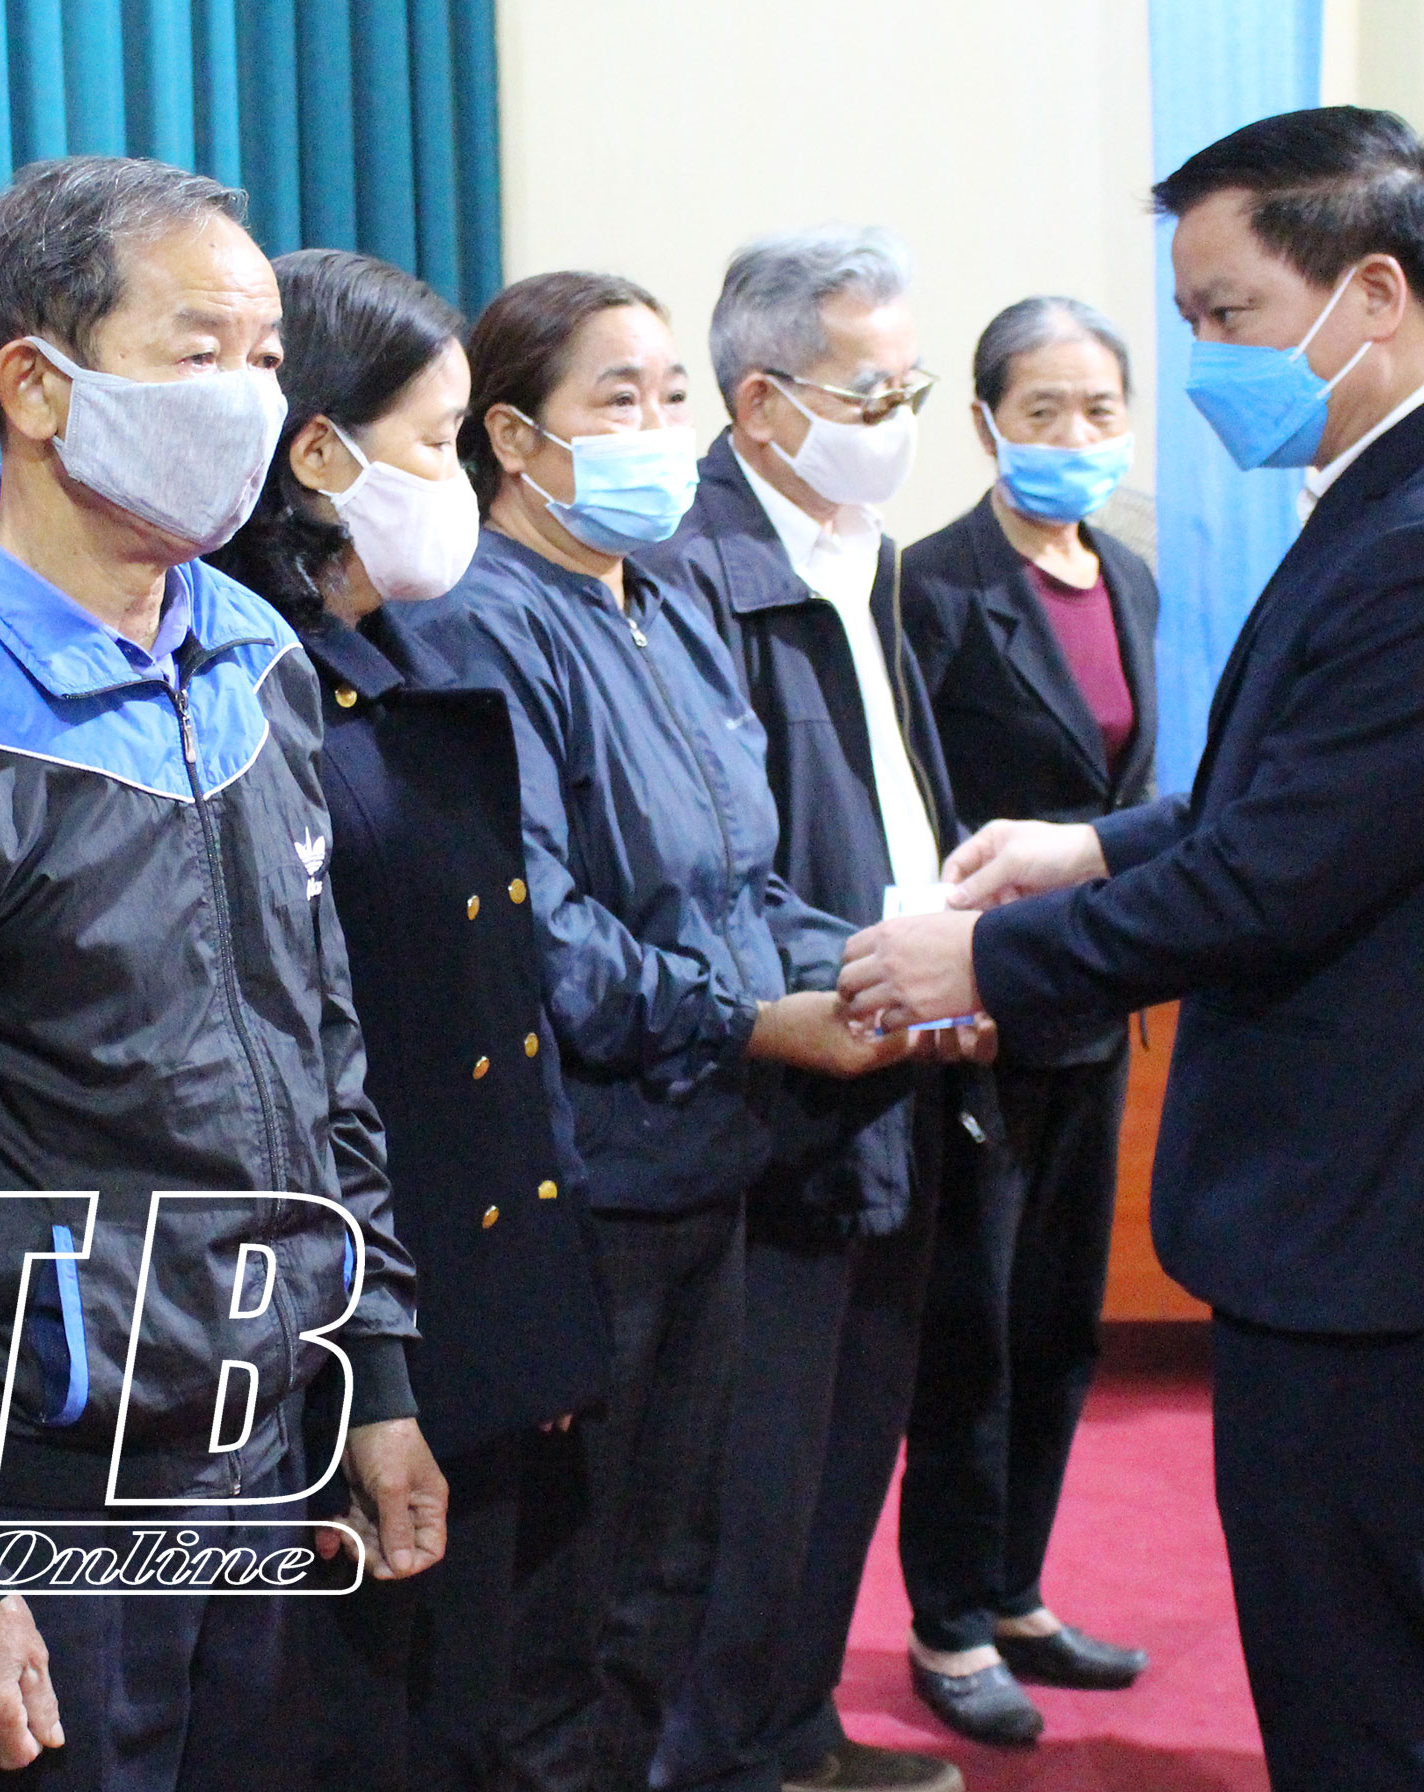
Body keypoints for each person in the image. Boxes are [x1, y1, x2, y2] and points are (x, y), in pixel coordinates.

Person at [836, 107, 1424, 1790]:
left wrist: (983, 966)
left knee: (1368, 1680)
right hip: (1411, 1191)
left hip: (1399, 1206)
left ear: (1372, 292)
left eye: (1227, 314)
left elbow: (1275, 883)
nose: (1206, 357)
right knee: (1401, 1634)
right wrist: (1089, 845)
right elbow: (1304, 794)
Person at [0, 158, 443, 1792]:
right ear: (36, 385)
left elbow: (324, 1045)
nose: (252, 399)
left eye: (267, 357)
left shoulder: (258, 655)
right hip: (43, 1480)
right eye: (200, 354)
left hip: (266, 1440)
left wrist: (372, 1368)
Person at [394, 269, 896, 1792]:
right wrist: (759, 1022)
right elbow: (544, 935)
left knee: (675, 1572)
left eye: (673, 395)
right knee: (561, 1602)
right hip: (583, 1190)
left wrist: (881, 970)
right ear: (511, 438)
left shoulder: (669, 597)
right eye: (619, 400)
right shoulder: (478, 623)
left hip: (712, 1167)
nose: (662, 429)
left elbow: (744, 883)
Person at [202, 246, 609, 1792]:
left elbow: (491, 995)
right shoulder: (251, 680)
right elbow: (304, 1057)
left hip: (475, 1287)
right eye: (438, 442)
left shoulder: (416, 647)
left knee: (482, 1707)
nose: (463, 482)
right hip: (355, 1316)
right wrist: (372, 1370)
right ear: (320, 454)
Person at [637, 226, 972, 1792]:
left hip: (905, 1038)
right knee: (750, 1466)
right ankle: (721, 1756)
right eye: (871, 390)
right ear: (764, 405)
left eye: (911, 384)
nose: (899, 417)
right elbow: (709, 857)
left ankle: (795, 1731)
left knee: (852, 1437)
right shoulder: (692, 570)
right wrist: (868, 968)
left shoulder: (859, 545)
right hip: (777, 1063)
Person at [892, 294, 1159, 1746]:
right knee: (972, 1328)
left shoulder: (1131, 577)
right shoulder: (932, 583)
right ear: (988, 423)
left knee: (1062, 1321)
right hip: (979, 1005)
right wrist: (966, 970)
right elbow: (917, 796)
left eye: (1098, 410)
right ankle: (945, 1622)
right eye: (1042, 410)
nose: (1073, 434)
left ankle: (1016, 1592)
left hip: (1093, 998)